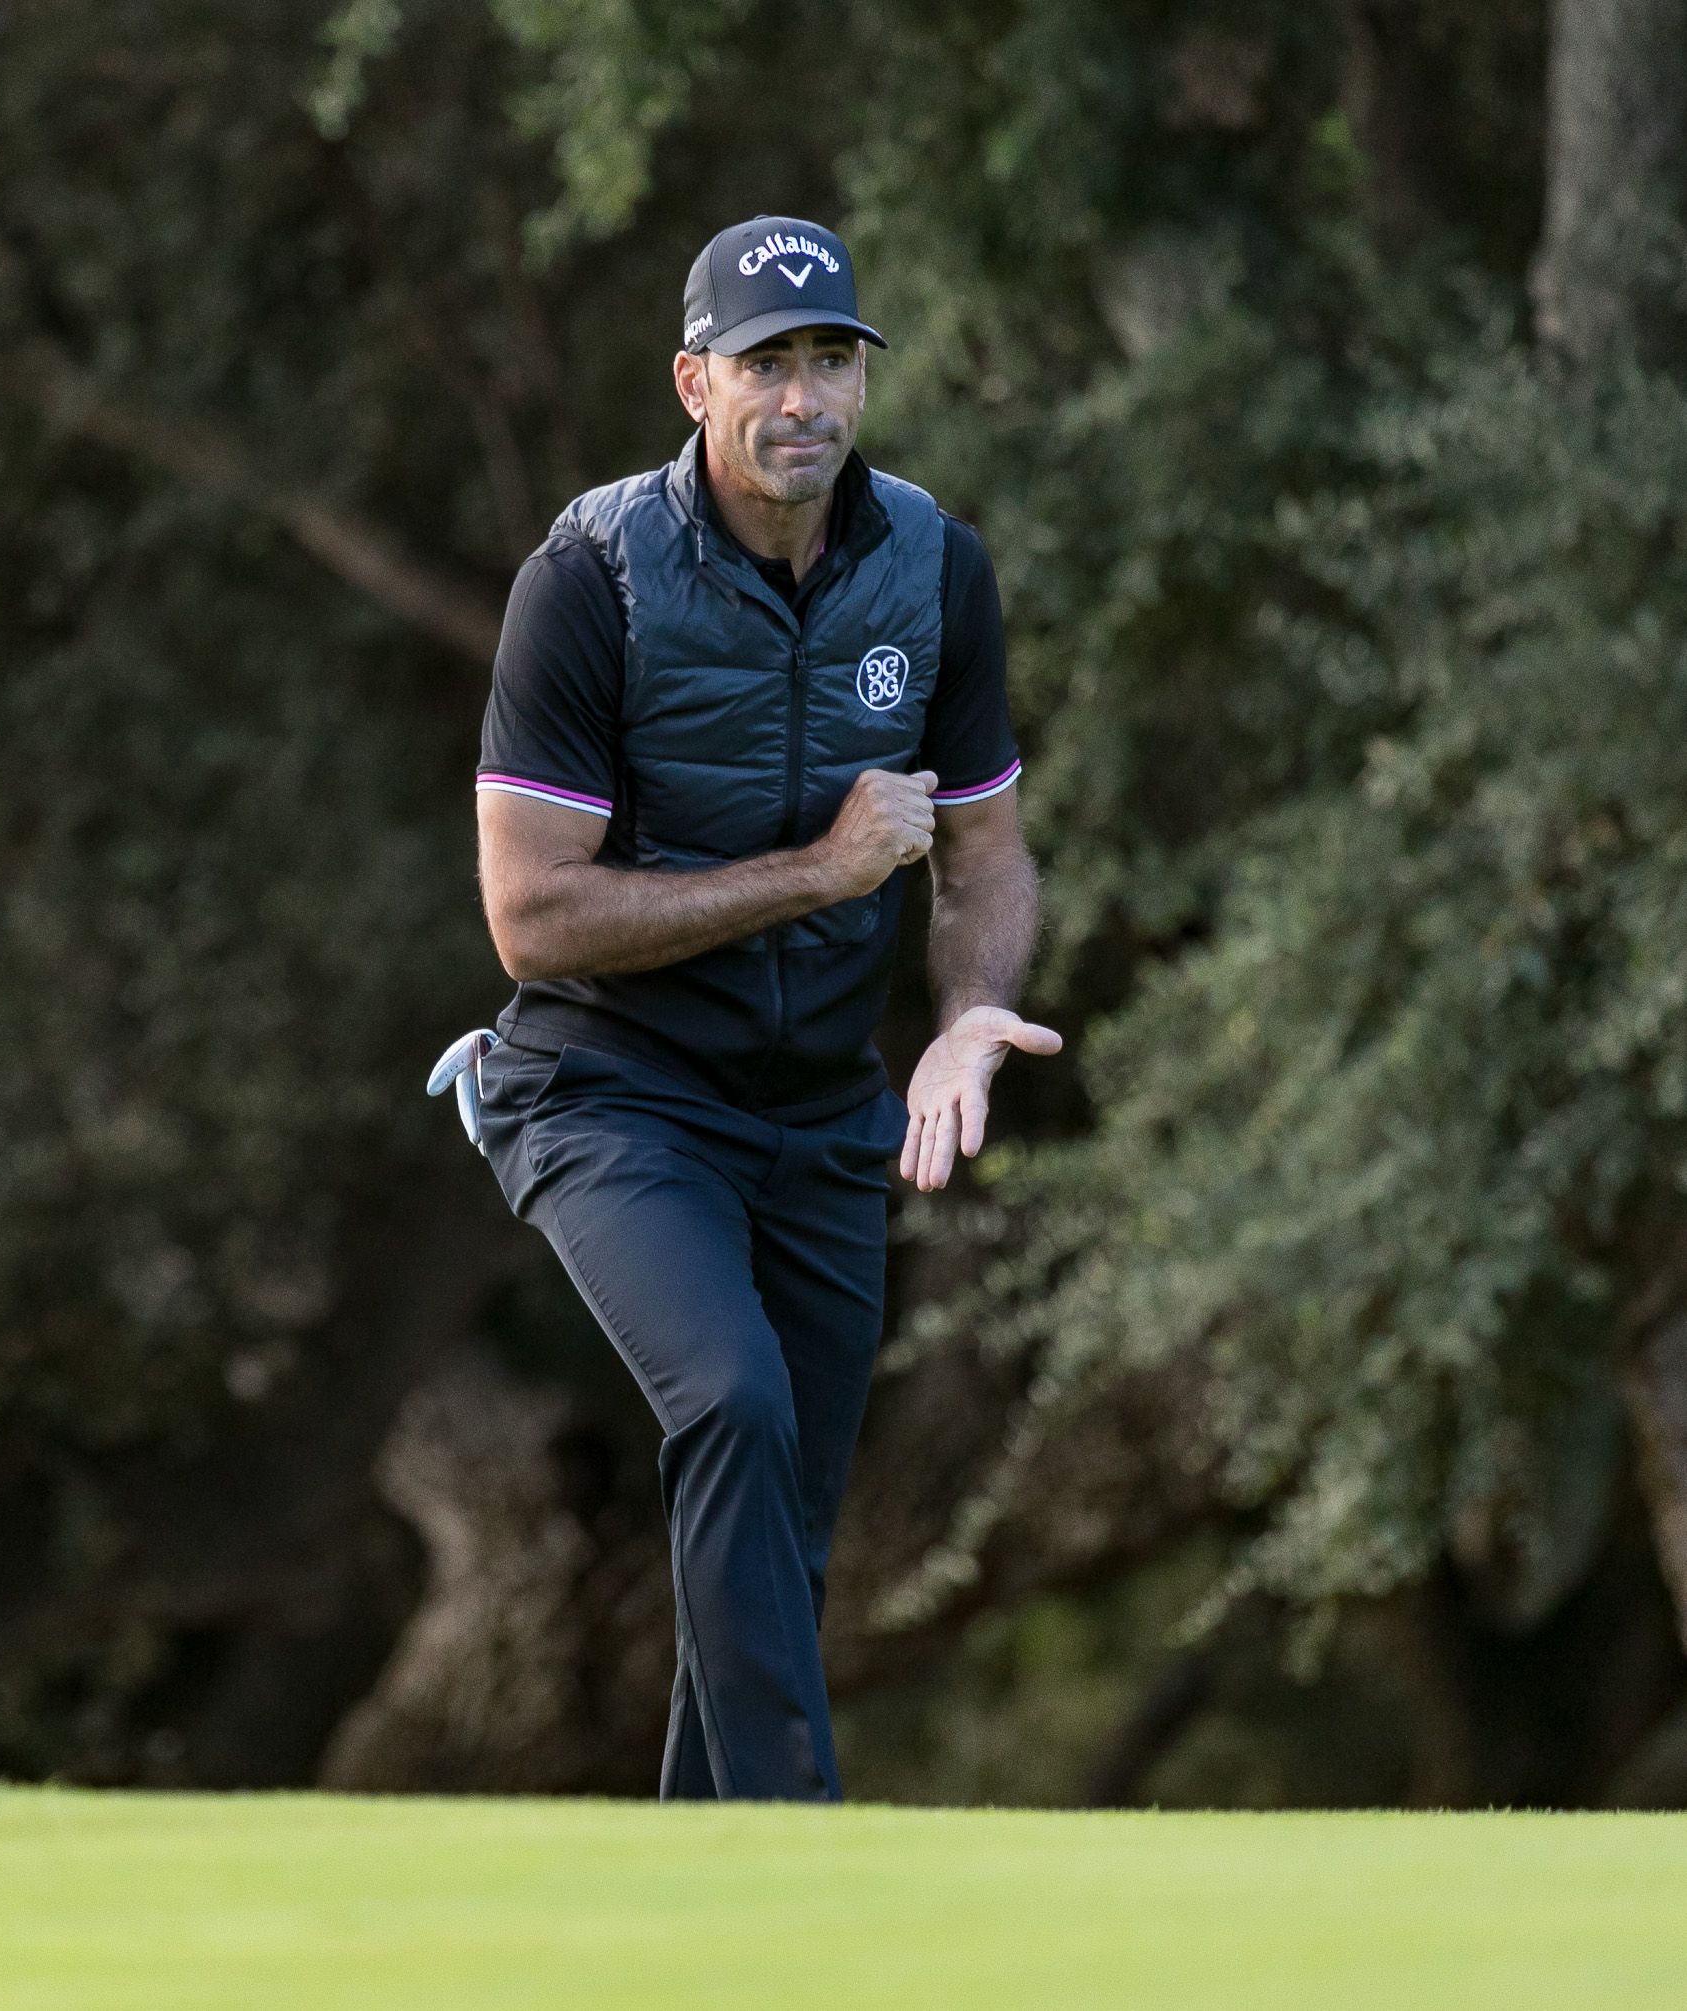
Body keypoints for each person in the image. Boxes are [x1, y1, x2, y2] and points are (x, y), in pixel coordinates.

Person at [460, 217, 1056, 1800]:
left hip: (818, 1110)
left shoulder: (934, 564)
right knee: (727, 1398)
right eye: (768, 363)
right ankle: (802, 1844)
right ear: (694, 380)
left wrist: (966, 1013)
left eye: (833, 360)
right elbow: (530, 916)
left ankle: (701, 1898)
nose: (806, 398)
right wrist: (819, 872)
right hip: (609, 1086)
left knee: (779, 1528)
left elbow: (986, 852)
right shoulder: (589, 577)